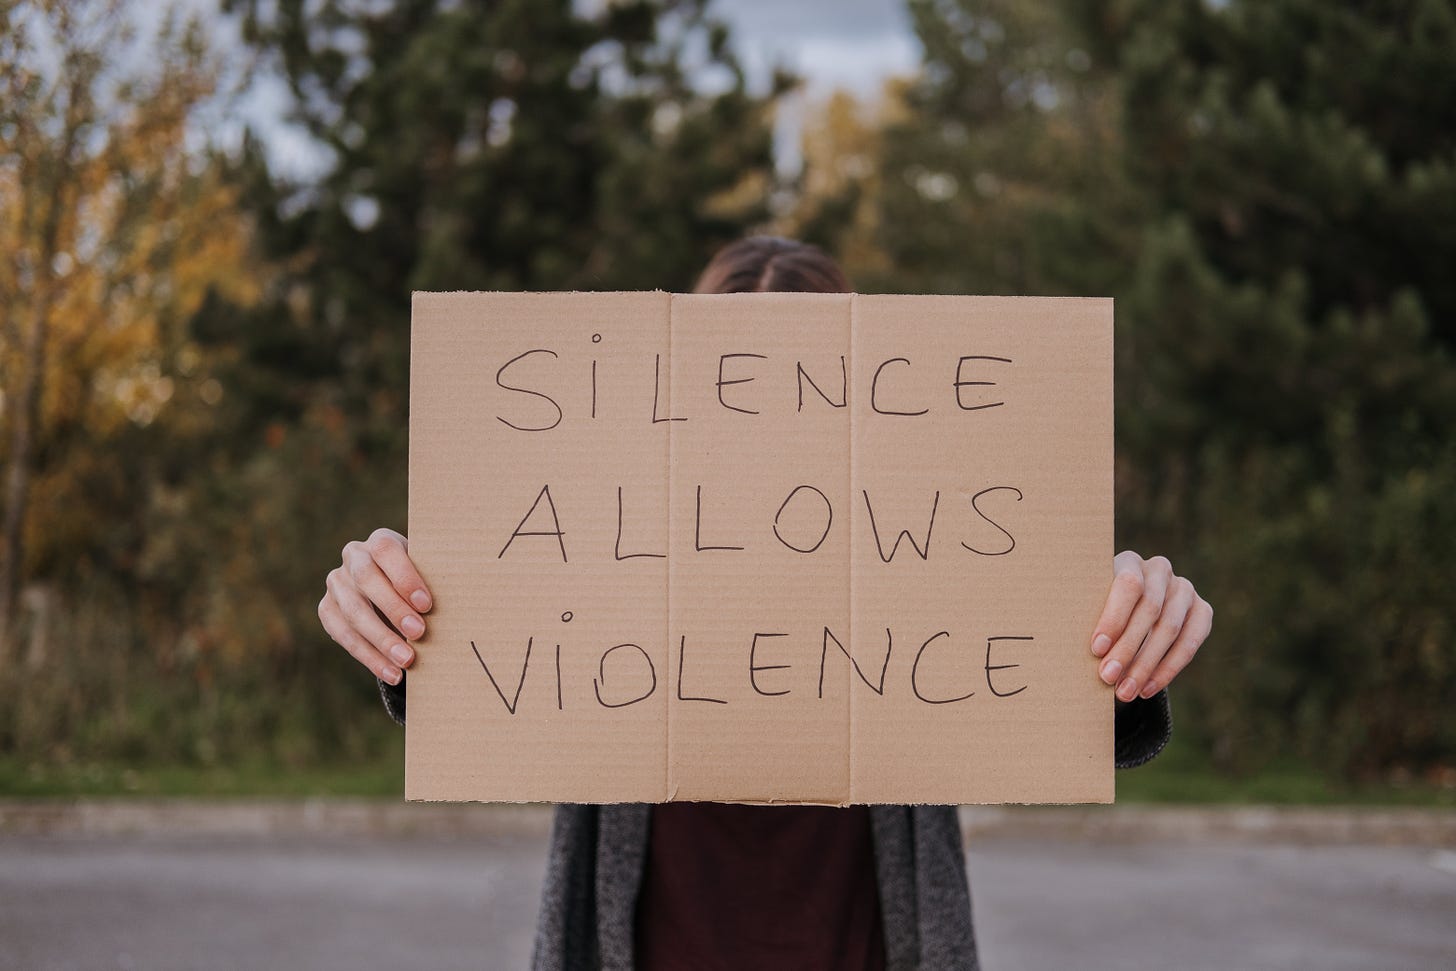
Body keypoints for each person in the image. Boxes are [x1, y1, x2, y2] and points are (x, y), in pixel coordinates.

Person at [317, 236, 1212, 970]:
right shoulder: (609, 557)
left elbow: (1070, 692)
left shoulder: (920, 563)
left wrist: (1133, 634)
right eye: (738, 384)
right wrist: (392, 609)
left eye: (809, 383)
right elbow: (489, 657)